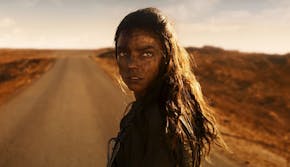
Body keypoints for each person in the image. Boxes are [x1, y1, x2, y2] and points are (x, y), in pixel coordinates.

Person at [107, 7, 226, 167]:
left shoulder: (161, 124)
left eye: (146, 54)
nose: (132, 64)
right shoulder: (164, 108)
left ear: (166, 57)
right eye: (123, 53)